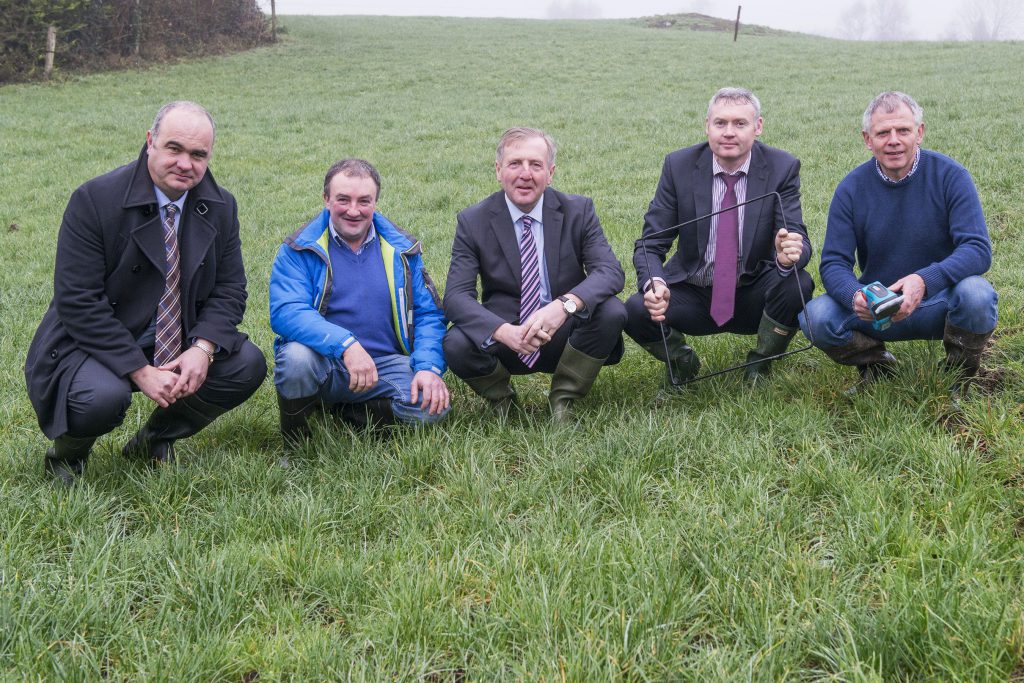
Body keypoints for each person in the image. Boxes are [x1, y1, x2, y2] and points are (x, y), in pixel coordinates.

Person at [24, 101, 267, 486]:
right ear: (151, 141)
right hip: (97, 341)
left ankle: (153, 440)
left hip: (175, 333)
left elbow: (230, 288)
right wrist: (139, 371)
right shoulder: (95, 200)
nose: (185, 163)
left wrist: (202, 349)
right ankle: (67, 456)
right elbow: (78, 301)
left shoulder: (221, 206)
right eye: (174, 148)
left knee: (246, 364)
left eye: (198, 154)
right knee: (101, 398)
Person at [800, 91, 997, 395]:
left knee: (978, 295)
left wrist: (924, 280)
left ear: (919, 133)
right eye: (883, 132)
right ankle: (878, 367)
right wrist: (856, 297)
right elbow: (834, 263)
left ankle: (958, 376)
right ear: (868, 139)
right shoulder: (851, 188)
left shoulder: (952, 176)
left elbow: (977, 249)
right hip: (877, 309)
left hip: (939, 301)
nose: (893, 140)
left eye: (903, 130)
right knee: (816, 318)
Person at [625, 87, 814, 386]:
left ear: (758, 127)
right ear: (707, 126)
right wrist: (655, 283)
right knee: (635, 308)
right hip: (693, 291)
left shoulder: (782, 167)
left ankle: (760, 366)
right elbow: (650, 243)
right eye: (720, 123)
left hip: (752, 290)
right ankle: (682, 362)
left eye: (740, 124)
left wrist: (787, 253)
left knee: (798, 283)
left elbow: (797, 238)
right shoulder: (679, 166)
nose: (729, 132)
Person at [443, 127, 627, 421]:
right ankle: (502, 400)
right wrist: (504, 332)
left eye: (536, 165)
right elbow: (455, 297)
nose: (525, 174)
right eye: (515, 164)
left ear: (550, 172)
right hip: (507, 335)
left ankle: (564, 399)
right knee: (456, 343)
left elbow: (609, 271)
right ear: (498, 170)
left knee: (611, 311)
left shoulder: (578, 210)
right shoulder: (473, 220)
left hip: (564, 331)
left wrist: (563, 306)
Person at [270, 159, 450, 445]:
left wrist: (428, 367)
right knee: (295, 360)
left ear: (375, 203)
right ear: (326, 200)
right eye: (343, 199)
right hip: (326, 362)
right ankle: (296, 439)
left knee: (431, 408)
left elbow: (429, 315)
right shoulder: (299, 249)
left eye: (364, 201)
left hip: (386, 365)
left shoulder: (402, 250)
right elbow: (287, 312)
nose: (353, 210)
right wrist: (346, 345)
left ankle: (346, 410)